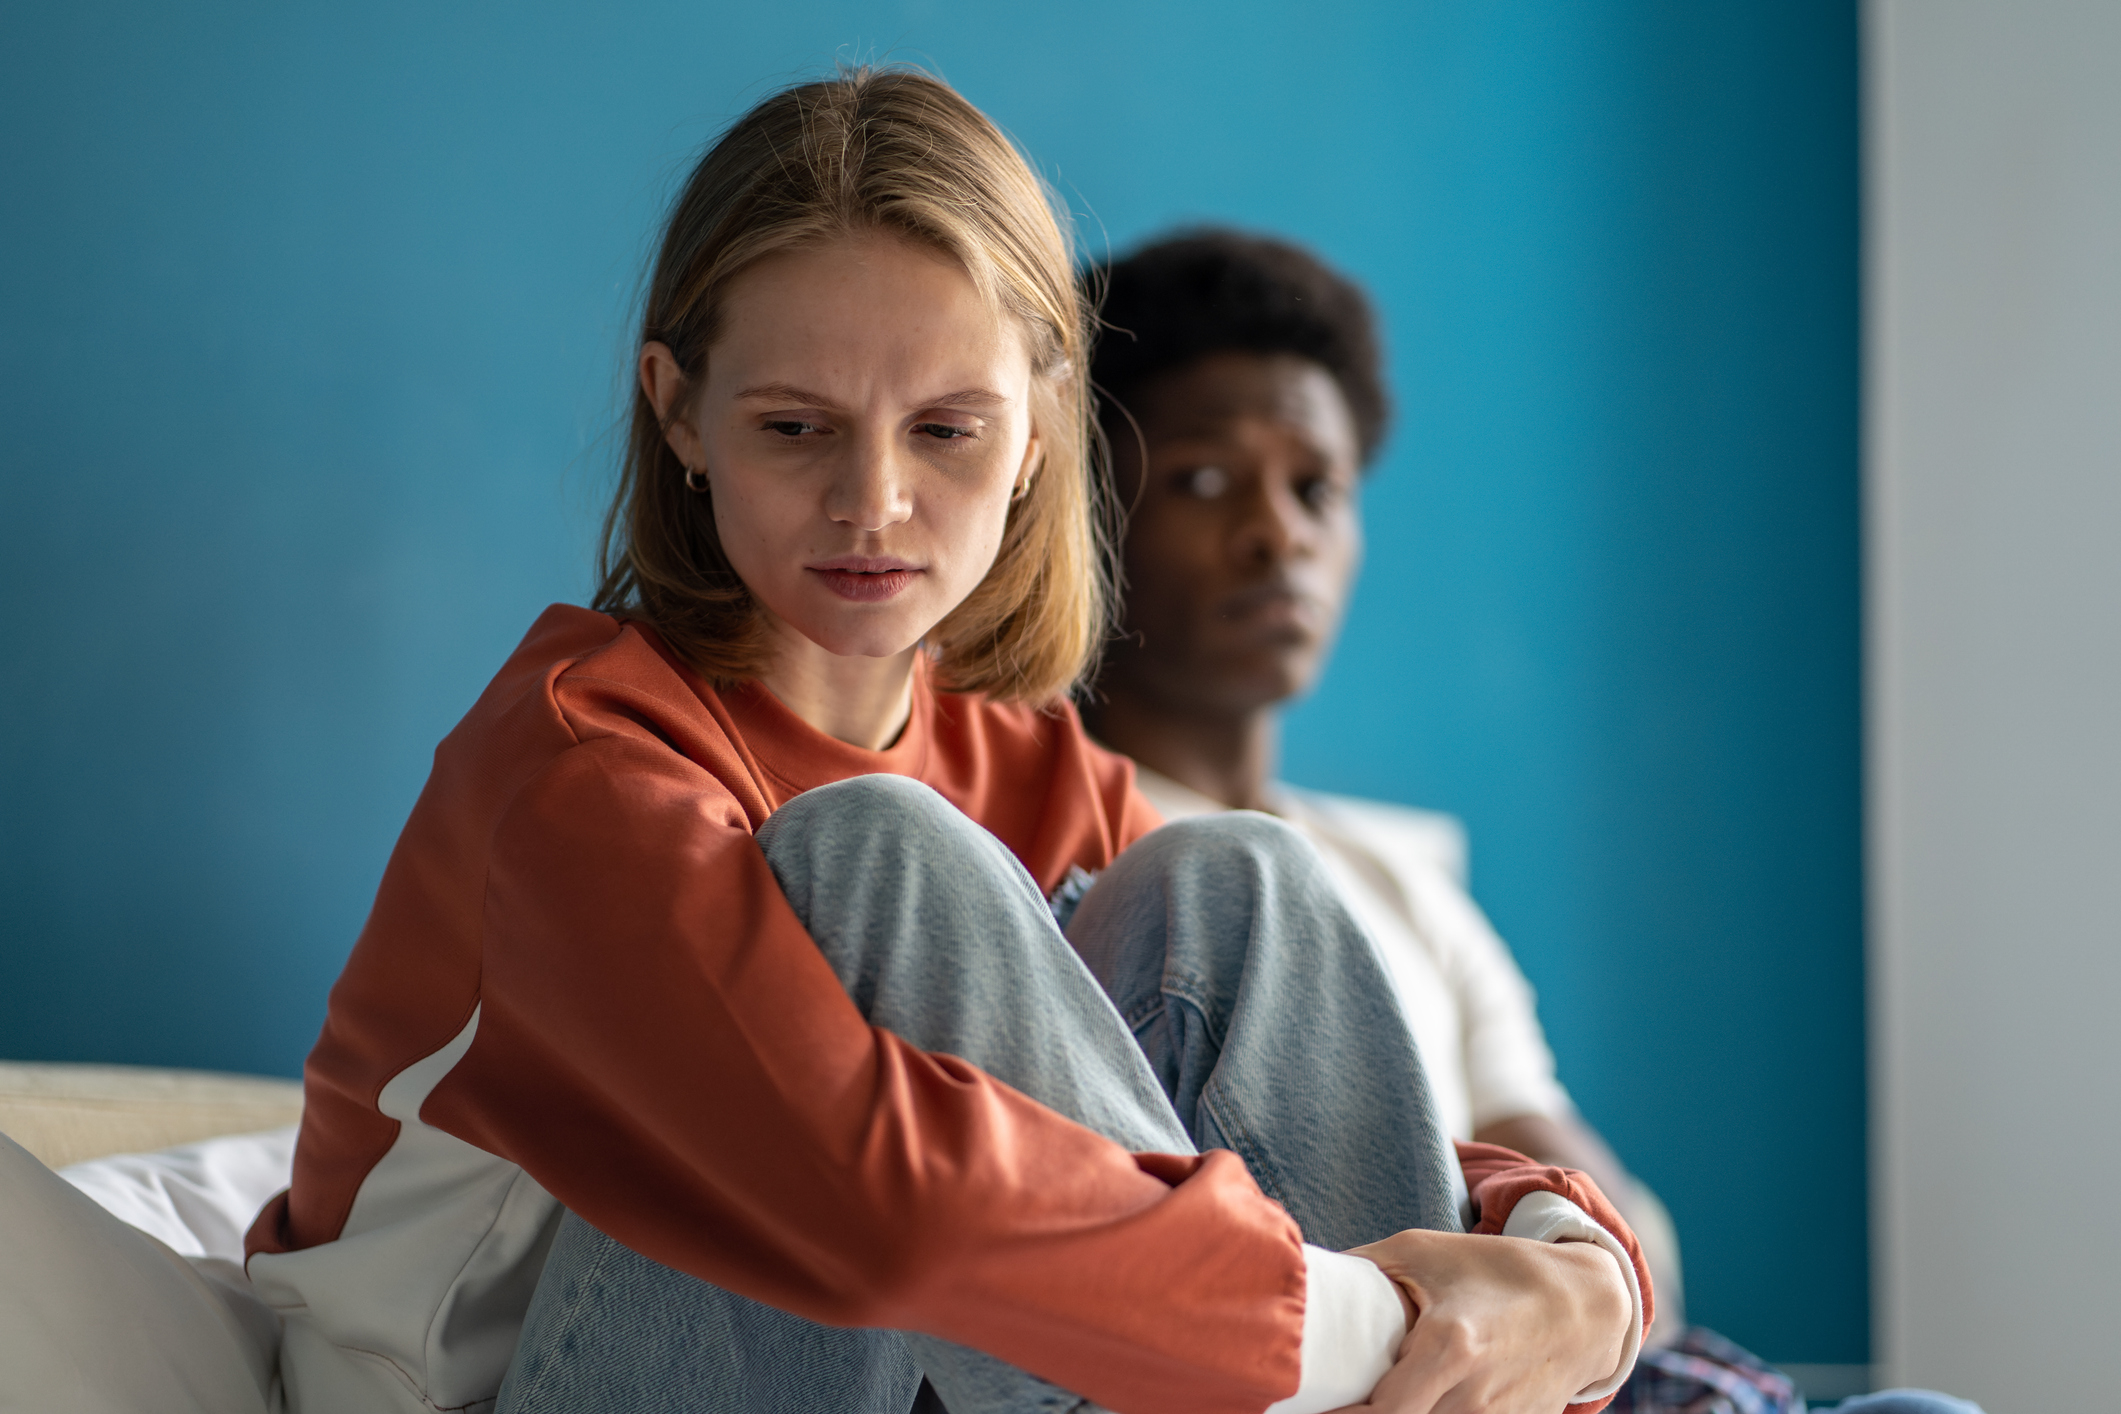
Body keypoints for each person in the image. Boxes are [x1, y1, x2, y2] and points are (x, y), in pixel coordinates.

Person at [240, 71, 1651, 1414]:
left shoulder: (1023, 761)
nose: (873, 500)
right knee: (874, 848)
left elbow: (1309, 1119)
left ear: (1041, 431)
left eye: (946, 430)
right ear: (679, 409)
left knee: (1240, 883)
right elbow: (886, 1215)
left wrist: (1574, 1265)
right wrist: (1388, 1318)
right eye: (794, 427)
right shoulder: (584, 768)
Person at [1078, 229, 1979, 1414]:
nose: (1276, 533)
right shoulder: (1092, 861)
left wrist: (1578, 1286)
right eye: (1203, 480)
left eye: (1316, 488)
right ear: (1091, 516)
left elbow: (1624, 1223)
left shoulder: (1399, 882)